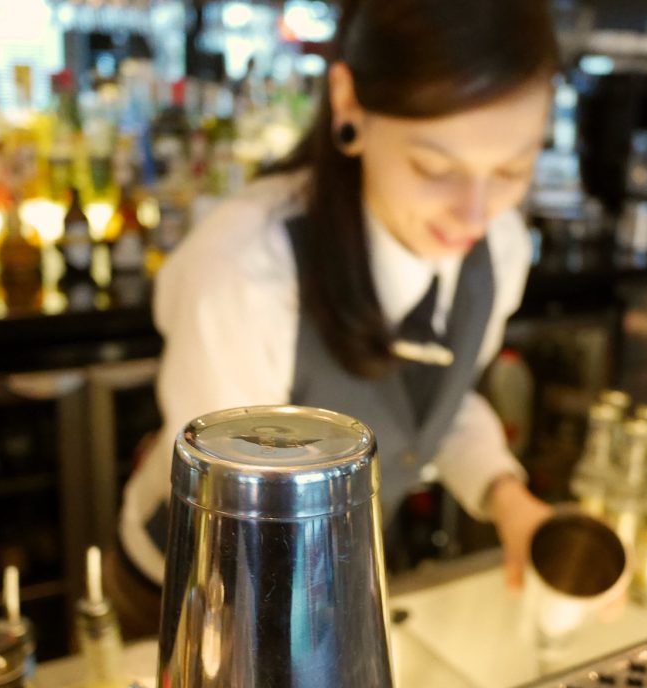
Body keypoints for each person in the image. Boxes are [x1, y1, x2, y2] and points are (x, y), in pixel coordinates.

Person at [108, 0, 560, 634]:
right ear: (348, 103)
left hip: (324, 590)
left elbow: (435, 405)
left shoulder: (501, 246)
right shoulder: (245, 268)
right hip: (196, 595)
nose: (475, 213)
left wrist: (508, 501)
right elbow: (235, 516)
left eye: (513, 170)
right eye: (436, 168)